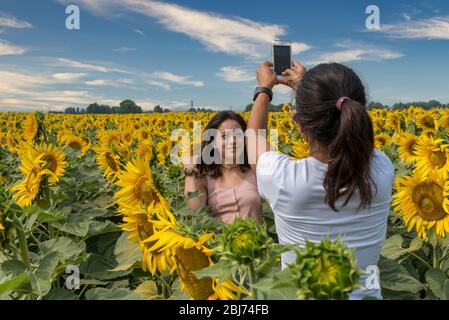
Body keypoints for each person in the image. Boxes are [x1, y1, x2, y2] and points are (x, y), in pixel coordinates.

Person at [247, 60, 395, 299]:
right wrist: (307, 90)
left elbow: (253, 137)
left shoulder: (285, 180)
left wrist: (264, 88)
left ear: (301, 127)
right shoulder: (382, 169)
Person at [183, 111, 262, 224]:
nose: (233, 141)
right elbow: (194, 214)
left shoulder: (255, 170)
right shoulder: (205, 177)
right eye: (225, 136)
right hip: (219, 241)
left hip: (258, 241)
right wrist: (190, 173)